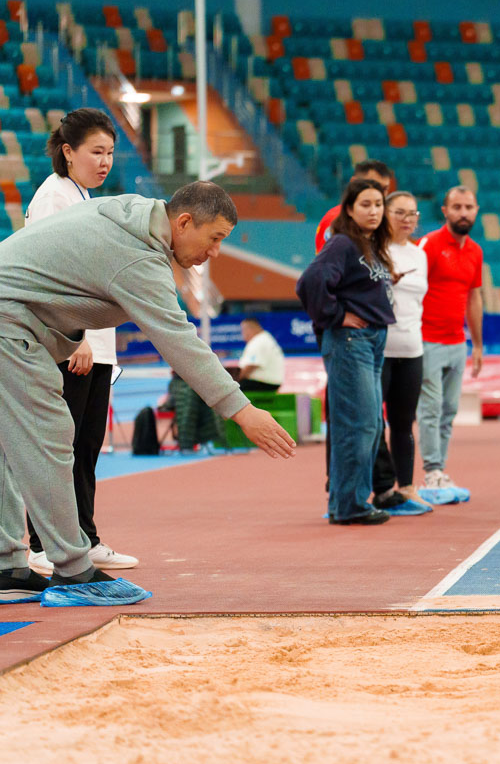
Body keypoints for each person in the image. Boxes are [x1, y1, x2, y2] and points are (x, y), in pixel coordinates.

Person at [0, 182, 296, 605]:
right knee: (46, 436)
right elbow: (179, 341)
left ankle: (7, 567)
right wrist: (243, 411)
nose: (215, 253)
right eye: (214, 239)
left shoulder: (131, 211)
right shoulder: (138, 258)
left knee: (9, 446)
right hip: (9, 319)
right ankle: (72, 571)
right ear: (183, 222)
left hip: (12, 311)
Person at [21, 108, 136, 575]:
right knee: (59, 448)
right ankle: (44, 543)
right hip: (70, 345)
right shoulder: (54, 199)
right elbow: (47, 278)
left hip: (95, 346)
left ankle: (83, 538)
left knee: (86, 448)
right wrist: (79, 338)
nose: (105, 161)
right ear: (67, 152)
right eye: (96, 152)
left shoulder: (83, 197)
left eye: (110, 152)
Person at [296, 179, 398, 526]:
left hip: (371, 341)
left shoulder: (370, 246)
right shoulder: (341, 243)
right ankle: (351, 504)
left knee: (361, 424)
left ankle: (347, 503)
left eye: (379, 204)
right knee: (362, 424)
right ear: (350, 210)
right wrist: (336, 316)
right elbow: (310, 281)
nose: (374, 211)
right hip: (351, 342)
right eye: (366, 204)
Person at [415, 185, 484, 506]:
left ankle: (439, 469)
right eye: (456, 207)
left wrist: (478, 345)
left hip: (457, 342)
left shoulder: (475, 251)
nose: (463, 213)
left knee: (448, 411)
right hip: (426, 340)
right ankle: (432, 471)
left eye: (468, 207)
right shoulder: (428, 245)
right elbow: (410, 289)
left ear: (476, 210)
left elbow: (474, 297)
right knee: (429, 409)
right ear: (444, 211)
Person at [372, 191, 431, 508]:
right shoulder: (373, 248)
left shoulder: (419, 254)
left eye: (413, 214)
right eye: (400, 213)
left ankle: (407, 487)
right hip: (379, 348)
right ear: (385, 213)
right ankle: (378, 488)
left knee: (404, 422)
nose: (408, 219)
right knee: (373, 421)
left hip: (412, 348)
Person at [314, 160, 394, 253]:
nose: (379, 193)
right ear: (354, 182)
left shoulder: (383, 220)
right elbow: (326, 264)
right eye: (373, 186)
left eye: (384, 189)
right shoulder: (337, 219)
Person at [237, 316, 285, 392]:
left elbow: (250, 367)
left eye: (243, 330)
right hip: (270, 383)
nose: (243, 334)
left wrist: (234, 381)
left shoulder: (258, 341)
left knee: (230, 391)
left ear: (249, 329)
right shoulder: (264, 338)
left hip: (263, 383)